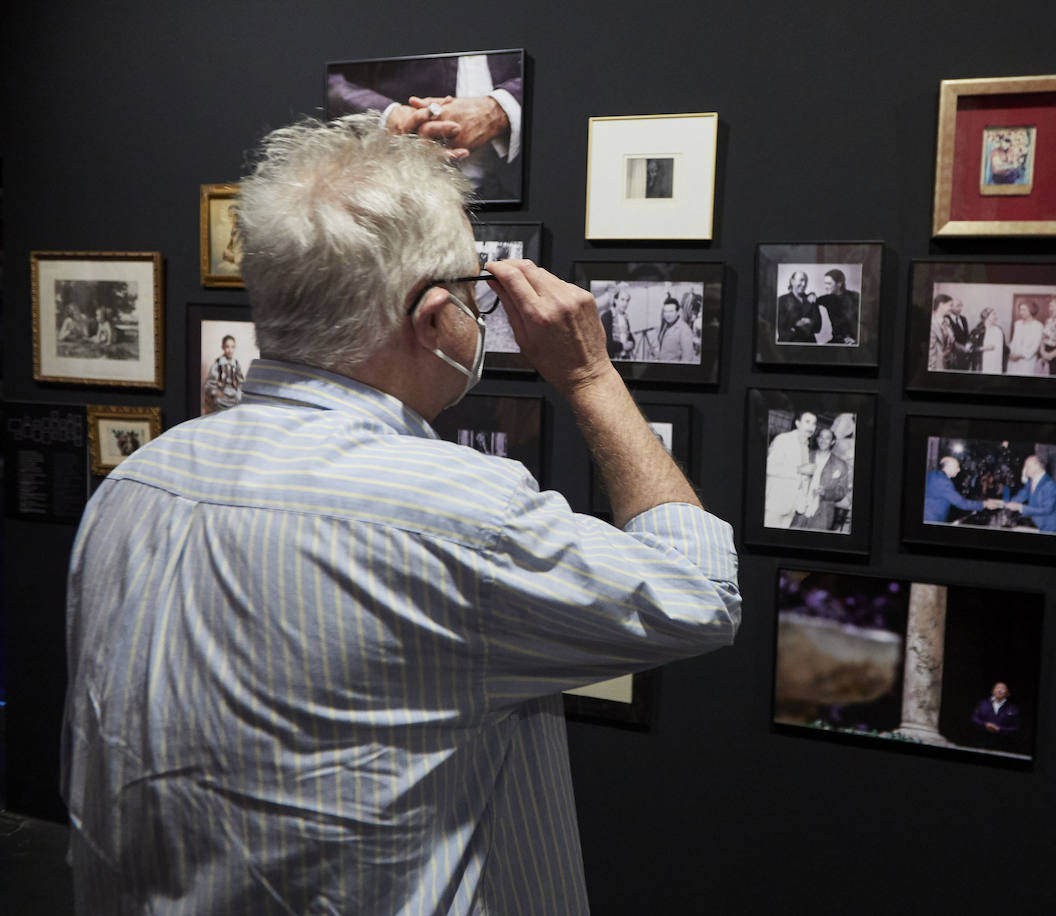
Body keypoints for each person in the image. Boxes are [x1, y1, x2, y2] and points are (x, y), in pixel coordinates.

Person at [61, 115, 741, 915]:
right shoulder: (463, 515)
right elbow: (699, 593)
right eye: (474, 296)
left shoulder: (139, 480)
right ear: (433, 318)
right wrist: (591, 375)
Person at [327, 52, 523, 202]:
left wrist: (501, 107)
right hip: (387, 189)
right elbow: (326, 72)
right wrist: (390, 116)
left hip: (523, 188)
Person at [765, 412, 817, 528]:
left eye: (814, 424)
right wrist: (798, 469)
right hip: (776, 502)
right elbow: (769, 467)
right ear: (798, 423)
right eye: (807, 422)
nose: (811, 427)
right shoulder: (783, 439)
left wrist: (804, 500)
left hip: (793, 504)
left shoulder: (806, 446)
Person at [792, 427, 850, 532]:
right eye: (821, 437)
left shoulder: (840, 465)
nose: (823, 440)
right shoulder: (805, 456)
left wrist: (826, 492)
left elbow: (842, 491)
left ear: (833, 441)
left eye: (827, 438)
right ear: (817, 439)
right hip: (798, 510)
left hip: (823, 515)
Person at [1003, 454, 1056, 534]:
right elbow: (1023, 494)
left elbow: (1047, 510)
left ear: (1036, 466)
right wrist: (1009, 503)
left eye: (1027, 466)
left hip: (1050, 528)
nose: (1024, 470)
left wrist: (1020, 507)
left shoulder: (1049, 485)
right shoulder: (1030, 481)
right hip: (1037, 524)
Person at [923, 456, 993, 523]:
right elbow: (962, 503)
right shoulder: (944, 482)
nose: (959, 470)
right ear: (948, 467)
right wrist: (984, 504)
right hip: (932, 519)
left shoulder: (932, 473)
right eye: (957, 467)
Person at [203, 333, 246, 413]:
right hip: (223, 396)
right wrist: (215, 392)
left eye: (232, 347)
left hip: (234, 396)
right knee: (218, 403)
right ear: (223, 347)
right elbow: (209, 383)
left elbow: (241, 381)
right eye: (227, 347)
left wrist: (239, 392)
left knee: (240, 404)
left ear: (235, 348)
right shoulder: (218, 364)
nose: (230, 350)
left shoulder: (236, 364)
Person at [816, 269, 859, 345]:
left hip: (853, 341)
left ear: (839, 283)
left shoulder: (855, 297)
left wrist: (856, 339)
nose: (826, 287)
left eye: (829, 284)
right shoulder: (826, 299)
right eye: (825, 283)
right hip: (836, 340)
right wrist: (811, 294)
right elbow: (813, 300)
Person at [777, 271, 821, 343]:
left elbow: (818, 327)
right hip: (789, 345)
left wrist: (810, 322)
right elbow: (782, 328)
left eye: (805, 281)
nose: (803, 284)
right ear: (792, 281)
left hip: (809, 345)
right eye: (801, 280)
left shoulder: (811, 299)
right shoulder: (781, 300)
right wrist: (797, 324)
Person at [652, 294, 695, 362]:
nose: (667, 315)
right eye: (665, 311)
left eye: (671, 311)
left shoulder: (684, 330)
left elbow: (688, 358)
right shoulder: (666, 325)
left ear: (678, 312)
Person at [1006, 300, 1044, 376]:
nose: (1021, 312)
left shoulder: (1038, 326)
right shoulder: (1017, 324)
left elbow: (1035, 346)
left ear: (1032, 310)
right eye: (1020, 310)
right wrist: (1009, 353)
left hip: (1027, 361)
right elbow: (1014, 341)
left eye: (1024, 310)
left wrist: (1020, 356)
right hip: (1013, 359)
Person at [601, 281, 636, 359]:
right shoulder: (607, 317)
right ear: (615, 300)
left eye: (627, 300)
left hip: (625, 358)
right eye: (622, 300)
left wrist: (632, 343)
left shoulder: (625, 317)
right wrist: (623, 346)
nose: (625, 304)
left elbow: (630, 337)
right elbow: (606, 345)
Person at [971, 307, 1004, 375]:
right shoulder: (977, 331)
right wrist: (984, 348)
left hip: (995, 365)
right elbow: (969, 348)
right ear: (986, 316)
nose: (996, 317)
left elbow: (1003, 348)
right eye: (994, 314)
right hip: (981, 364)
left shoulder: (998, 330)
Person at [944, 296, 973, 370]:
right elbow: (949, 339)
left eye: (961, 306)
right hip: (953, 355)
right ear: (951, 307)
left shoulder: (963, 319)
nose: (960, 308)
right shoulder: (946, 319)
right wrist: (962, 348)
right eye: (958, 306)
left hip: (964, 355)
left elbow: (967, 335)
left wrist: (969, 344)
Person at [928, 294, 956, 370]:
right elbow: (930, 352)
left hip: (948, 363)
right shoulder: (931, 322)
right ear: (941, 305)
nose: (952, 308)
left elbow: (951, 342)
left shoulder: (947, 321)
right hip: (936, 365)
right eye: (950, 305)